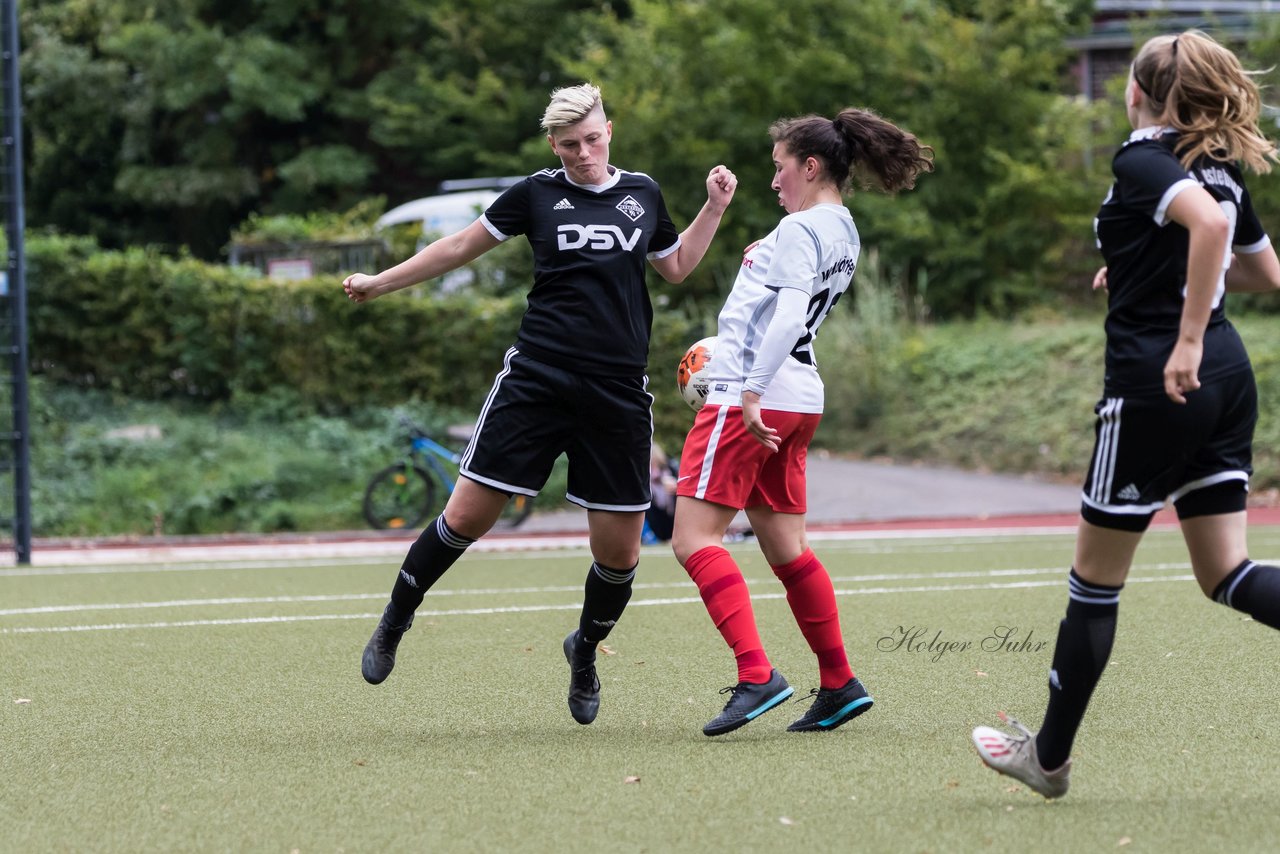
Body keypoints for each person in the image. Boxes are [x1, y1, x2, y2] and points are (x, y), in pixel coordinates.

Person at [343, 83, 737, 725]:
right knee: (467, 517)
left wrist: (714, 208)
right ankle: (394, 620)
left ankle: (583, 653)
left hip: (616, 393)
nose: (583, 153)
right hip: (539, 379)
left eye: (592, 138)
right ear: (553, 146)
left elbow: (676, 267)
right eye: (569, 145)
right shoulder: (535, 193)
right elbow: (456, 248)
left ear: (609, 129)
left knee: (620, 555)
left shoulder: (643, 193)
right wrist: (380, 283)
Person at [972, 30, 1280, 798]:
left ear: (1135, 91)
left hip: (1158, 387)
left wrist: (1180, 337)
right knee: (1226, 573)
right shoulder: (1220, 166)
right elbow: (1263, 273)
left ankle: (1046, 759)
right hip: (1229, 377)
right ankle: (1046, 755)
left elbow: (1209, 231)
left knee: (1093, 585)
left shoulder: (1145, 159)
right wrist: (1151, 276)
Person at [669, 108, 934, 736]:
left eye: (780, 167)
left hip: (751, 395)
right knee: (787, 549)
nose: (774, 180)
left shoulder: (799, 230)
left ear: (809, 166)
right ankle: (839, 683)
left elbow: (787, 317)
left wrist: (750, 391)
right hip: (801, 398)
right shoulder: (841, 227)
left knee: (692, 539)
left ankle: (757, 674)